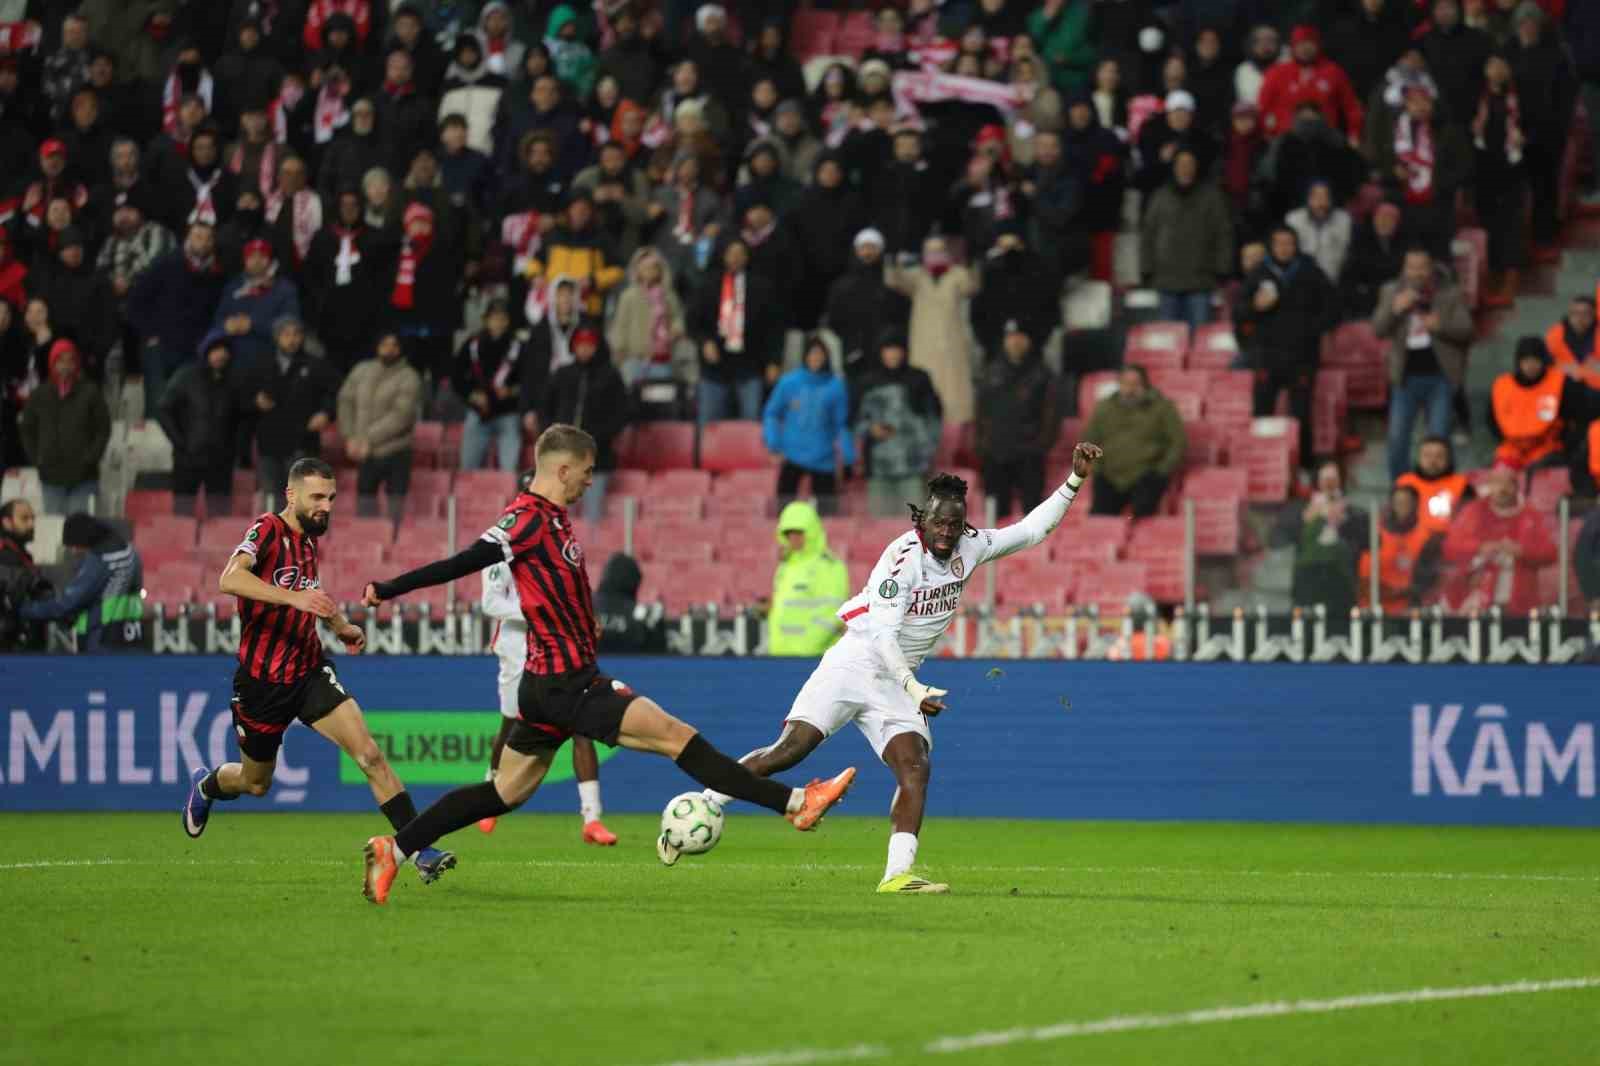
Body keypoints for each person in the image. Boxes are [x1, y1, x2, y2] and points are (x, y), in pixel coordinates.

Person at [357, 424, 857, 902]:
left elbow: (555, 588)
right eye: (587, 470)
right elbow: (461, 562)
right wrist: (389, 588)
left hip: (546, 684)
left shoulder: (552, 518)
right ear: (563, 469)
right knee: (677, 738)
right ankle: (795, 803)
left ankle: (395, 850)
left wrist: (581, 620)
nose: (591, 480)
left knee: (503, 793)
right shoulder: (526, 517)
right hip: (566, 683)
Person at [704, 447, 1103, 894]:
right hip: (855, 663)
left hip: (898, 678)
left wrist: (1073, 481)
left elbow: (1030, 530)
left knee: (915, 766)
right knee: (789, 751)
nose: (947, 534)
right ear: (921, 521)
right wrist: (912, 688)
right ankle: (705, 802)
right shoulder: (900, 561)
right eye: (939, 524)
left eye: (955, 524)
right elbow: (883, 637)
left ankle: (897, 875)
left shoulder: (972, 545)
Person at [181, 458, 455, 882]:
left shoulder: (308, 542)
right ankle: (207, 784)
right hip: (261, 684)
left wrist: (340, 626)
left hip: (308, 670)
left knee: (370, 755)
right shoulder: (268, 529)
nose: (325, 505)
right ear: (291, 495)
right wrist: (291, 599)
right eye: (317, 497)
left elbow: (310, 595)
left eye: (330, 497)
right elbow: (229, 579)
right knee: (256, 783)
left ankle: (418, 848)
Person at [475, 467, 617, 844]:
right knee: (511, 723)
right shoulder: (501, 542)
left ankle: (592, 818)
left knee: (581, 724)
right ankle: (489, 798)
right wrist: (542, 609)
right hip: (518, 646)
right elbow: (491, 602)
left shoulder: (557, 538)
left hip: (560, 642)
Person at [1237, 226, 1336, 475]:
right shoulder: (1258, 274)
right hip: (1267, 357)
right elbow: (1239, 314)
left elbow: (1334, 307)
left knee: (1301, 415)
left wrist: (1312, 329)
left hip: (1302, 357)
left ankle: (1302, 468)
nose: (1284, 248)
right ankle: (1260, 468)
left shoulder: (1310, 272)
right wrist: (1255, 306)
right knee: (1261, 414)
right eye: (1279, 243)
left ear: (1296, 245)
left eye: (1289, 243)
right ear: (1271, 246)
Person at [1373, 248, 1474, 479]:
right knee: (1397, 438)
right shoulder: (1391, 291)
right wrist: (1394, 309)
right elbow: (1377, 329)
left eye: (1421, 267)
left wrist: (1440, 326)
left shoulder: (1450, 293)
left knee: (1439, 438)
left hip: (1440, 377)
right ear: (1404, 269)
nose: (1416, 273)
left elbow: (1467, 330)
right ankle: (1402, 493)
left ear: (1430, 269)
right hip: (1404, 378)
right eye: (1411, 267)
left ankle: (1442, 491)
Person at [239, 317, 340, 497]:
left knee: (302, 499)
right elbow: (241, 396)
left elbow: (334, 394)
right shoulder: (260, 364)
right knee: (272, 500)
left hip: (303, 442)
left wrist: (326, 413)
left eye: (296, 334)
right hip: (269, 444)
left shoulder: (315, 364)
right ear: (277, 337)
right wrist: (255, 401)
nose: (292, 339)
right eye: (286, 334)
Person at [1440, 464, 1557, 615]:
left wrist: (1522, 551)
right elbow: (1451, 546)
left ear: (1516, 487)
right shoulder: (1474, 512)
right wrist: (1481, 547)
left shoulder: (1531, 515)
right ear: (1489, 485)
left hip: (1519, 600)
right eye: (1497, 482)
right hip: (1477, 596)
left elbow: (1550, 553)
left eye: (1508, 483)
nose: (1503, 488)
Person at [1138, 148, 1233, 333]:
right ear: (1173, 167)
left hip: (1201, 282)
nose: (1185, 169)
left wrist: (1222, 268)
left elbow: (1224, 234)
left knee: (1199, 340)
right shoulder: (1160, 196)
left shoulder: (1212, 197)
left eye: (1190, 164)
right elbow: (1148, 235)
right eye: (1181, 164)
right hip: (1166, 282)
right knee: (1169, 342)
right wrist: (1146, 268)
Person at [540, 327, 629, 523]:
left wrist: (599, 437)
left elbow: (621, 414)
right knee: (560, 520)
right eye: (580, 345)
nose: (584, 349)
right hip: (562, 462)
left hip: (597, 461)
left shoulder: (610, 376)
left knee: (592, 518)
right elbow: (545, 409)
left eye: (589, 345)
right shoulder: (562, 374)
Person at [17, 514, 143, 651]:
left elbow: (67, 604)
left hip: (100, 638)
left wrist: (24, 610)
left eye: (75, 546)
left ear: (85, 539)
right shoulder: (130, 553)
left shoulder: (100, 560)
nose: (74, 551)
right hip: (130, 636)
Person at [853, 332, 942, 518]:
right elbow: (853, 421)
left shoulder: (919, 379)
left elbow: (934, 418)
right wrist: (870, 429)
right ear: (880, 352)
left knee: (914, 528)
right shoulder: (866, 382)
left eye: (896, 349)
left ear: (904, 351)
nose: (892, 354)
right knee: (879, 529)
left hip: (912, 468)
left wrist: (926, 453)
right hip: (878, 470)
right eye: (888, 349)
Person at [691, 239, 779, 424]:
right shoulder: (708, 285)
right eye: (731, 253)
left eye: (740, 253)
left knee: (750, 424)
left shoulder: (761, 287)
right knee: (709, 428)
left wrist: (773, 361)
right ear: (723, 256)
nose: (736, 258)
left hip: (750, 366)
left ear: (747, 257)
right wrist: (704, 342)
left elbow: (774, 328)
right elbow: (693, 322)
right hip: (714, 368)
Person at [763, 336, 854, 514]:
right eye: (812, 354)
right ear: (805, 356)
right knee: (784, 513)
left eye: (820, 354)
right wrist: (773, 442)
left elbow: (841, 425)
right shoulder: (789, 383)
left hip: (824, 459)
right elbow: (772, 413)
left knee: (828, 516)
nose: (816, 358)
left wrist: (849, 457)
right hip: (792, 457)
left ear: (827, 357)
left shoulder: (836, 386)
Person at [18, 339, 109, 515]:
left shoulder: (90, 392)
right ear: (52, 363)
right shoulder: (39, 394)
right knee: (54, 530)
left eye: (70, 361)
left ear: (77, 364)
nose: (65, 366)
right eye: (60, 361)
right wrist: (37, 458)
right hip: (51, 477)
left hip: (83, 477)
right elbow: (26, 428)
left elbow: (103, 429)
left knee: (80, 532)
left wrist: (90, 457)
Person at [978, 321, 1059, 518]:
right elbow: (981, 412)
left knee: (1032, 514)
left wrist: (1041, 444)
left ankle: (1033, 551)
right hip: (996, 452)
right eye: (1010, 337)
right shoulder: (990, 372)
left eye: (1020, 337)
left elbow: (1052, 413)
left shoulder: (1042, 373)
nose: (1015, 342)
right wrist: (984, 444)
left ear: (1029, 341)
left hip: (1029, 453)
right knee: (996, 515)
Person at [338, 332, 421, 519]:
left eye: (394, 345)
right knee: (365, 511)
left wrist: (365, 438)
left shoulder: (409, 377)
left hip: (396, 452)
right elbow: (345, 401)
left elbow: (401, 416)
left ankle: (396, 545)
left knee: (396, 513)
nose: (389, 349)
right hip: (366, 453)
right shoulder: (361, 370)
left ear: (400, 349)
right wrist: (349, 436)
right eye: (384, 344)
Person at [1084, 366, 1186, 518]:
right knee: (1100, 519)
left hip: (1148, 475)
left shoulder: (1163, 407)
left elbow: (1178, 443)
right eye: (1126, 383)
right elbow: (1088, 441)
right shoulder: (1104, 407)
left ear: (1145, 385)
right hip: (1108, 475)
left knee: (1143, 517)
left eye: (1135, 384)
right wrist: (1098, 468)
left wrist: (1161, 471)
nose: (1130, 389)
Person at [1489, 336, 1600, 475]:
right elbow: (1492, 420)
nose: (1530, 366)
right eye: (1526, 360)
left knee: (1539, 481)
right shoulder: (1502, 386)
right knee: (1500, 480)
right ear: (1518, 362)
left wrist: (1568, 445)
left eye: (1535, 360)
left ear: (1543, 361)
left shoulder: (1561, 383)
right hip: (1511, 450)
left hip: (1547, 450)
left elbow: (1582, 414)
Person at [159, 333, 240, 514]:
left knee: (220, 517)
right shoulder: (186, 376)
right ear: (205, 352)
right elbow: (164, 410)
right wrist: (180, 442)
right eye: (215, 350)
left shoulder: (233, 380)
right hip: (187, 458)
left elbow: (240, 419)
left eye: (224, 351)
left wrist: (233, 450)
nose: (220, 355)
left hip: (220, 461)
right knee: (182, 515)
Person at [1278, 460, 1369, 619]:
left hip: (1342, 582)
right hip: (1308, 582)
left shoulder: (1355, 512)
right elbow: (1280, 538)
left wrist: (1345, 520)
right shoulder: (1301, 508)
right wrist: (1307, 518)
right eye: (1325, 478)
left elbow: (1369, 541)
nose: (1329, 483)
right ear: (1317, 481)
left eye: (1333, 478)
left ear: (1341, 481)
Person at [768, 499, 851, 657]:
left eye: (799, 532)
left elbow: (831, 613)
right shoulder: (785, 567)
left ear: (811, 531)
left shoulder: (830, 566)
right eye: (788, 533)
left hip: (812, 658)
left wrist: (806, 650)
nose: (793, 538)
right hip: (779, 655)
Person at [1257, 25, 1364, 144]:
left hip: (1325, 142)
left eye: (1309, 43)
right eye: (1300, 44)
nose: (1305, 48)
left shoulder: (1333, 72)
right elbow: (1263, 109)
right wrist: (1266, 134)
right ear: (1293, 46)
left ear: (1318, 45)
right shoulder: (1276, 73)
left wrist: (1354, 134)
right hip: (1286, 143)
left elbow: (1351, 108)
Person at [455, 299, 527, 472]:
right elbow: (456, 377)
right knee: (467, 469)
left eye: (502, 318)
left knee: (509, 471)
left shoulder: (519, 346)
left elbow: (529, 381)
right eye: (494, 318)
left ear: (508, 320)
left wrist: (511, 391)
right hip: (479, 412)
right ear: (486, 319)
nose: (498, 322)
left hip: (508, 413)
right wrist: (471, 395)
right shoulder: (472, 344)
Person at [212, 238, 300, 369]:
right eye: (252, 257)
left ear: (270, 261)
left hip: (270, 363)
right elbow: (218, 319)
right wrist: (226, 325)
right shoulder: (233, 287)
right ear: (245, 260)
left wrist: (252, 324)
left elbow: (291, 327)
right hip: (232, 361)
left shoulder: (285, 290)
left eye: (262, 256)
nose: (257, 261)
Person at [1359, 485, 1444, 614]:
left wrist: (1404, 592)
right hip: (1372, 607)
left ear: (1415, 505)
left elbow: (1427, 578)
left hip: (1408, 610)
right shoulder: (1373, 533)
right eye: (1398, 502)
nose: (1402, 507)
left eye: (1406, 503)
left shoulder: (1427, 538)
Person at [1396, 436, 1474, 536]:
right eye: (1427, 455)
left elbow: (1471, 520)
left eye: (1439, 456)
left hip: (1449, 542)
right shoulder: (1405, 482)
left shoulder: (1462, 484)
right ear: (1419, 458)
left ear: (1448, 459)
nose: (1433, 461)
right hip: (1410, 542)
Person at [1340, 201, 1406, 319]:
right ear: (1374, 220)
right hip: (1366, 303)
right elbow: (1351, 278)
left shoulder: (1405, 242)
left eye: (1389, 219)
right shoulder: (1361, 242)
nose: (1384, 222)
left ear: (1397, 223)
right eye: (1380, 218)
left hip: (1397, 300)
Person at [0, 499, 51, 651]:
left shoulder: (21, 554)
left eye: (32, 518)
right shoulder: (5, 555)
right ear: (7, 522)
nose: (31, 524)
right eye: (24, 519)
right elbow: (14, 594)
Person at [1286, 180, 1352, 286]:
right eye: (1316, 197)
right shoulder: (1293, 219)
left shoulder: (1343, 219)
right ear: (1308, 199)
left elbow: (1343, 253)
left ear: (1331, 200)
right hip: (1299, 281)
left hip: (1331, 281)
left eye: (1325, 197)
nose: (1321, 203)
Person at [1545, 295, 1599, 389]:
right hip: (1563, 388)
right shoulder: (1555, 334)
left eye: (1585, 313)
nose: (1580, 318)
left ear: (1594, 315)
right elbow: (1547, 363)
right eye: (1575, 313)